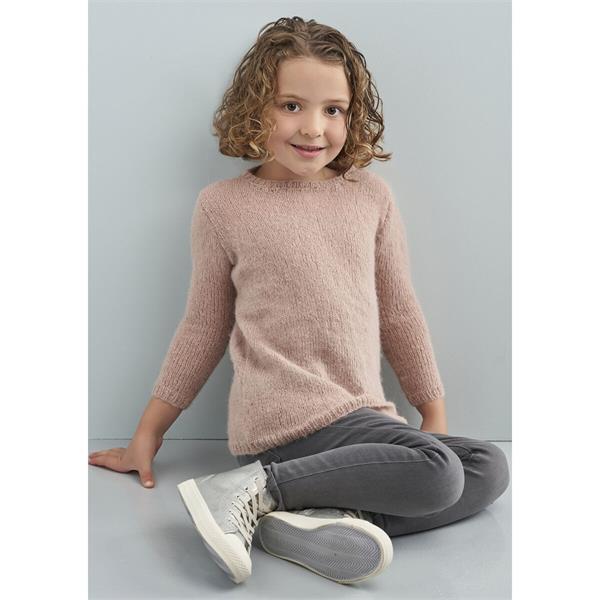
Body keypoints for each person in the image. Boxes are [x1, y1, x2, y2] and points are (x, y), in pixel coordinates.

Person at [89, 16, 510, 586]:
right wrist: (148, 435)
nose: (314, 128)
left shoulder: (369, 196)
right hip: (279, 427)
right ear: (255, 107)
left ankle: (304, 520)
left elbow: (398, 310)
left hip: (358, 421)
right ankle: (250, 488)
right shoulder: (223, 206)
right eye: (292, 105)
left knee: (487, 466)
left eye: (333, 109)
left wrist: (431, 413)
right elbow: (203, 326)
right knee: (440, 473)